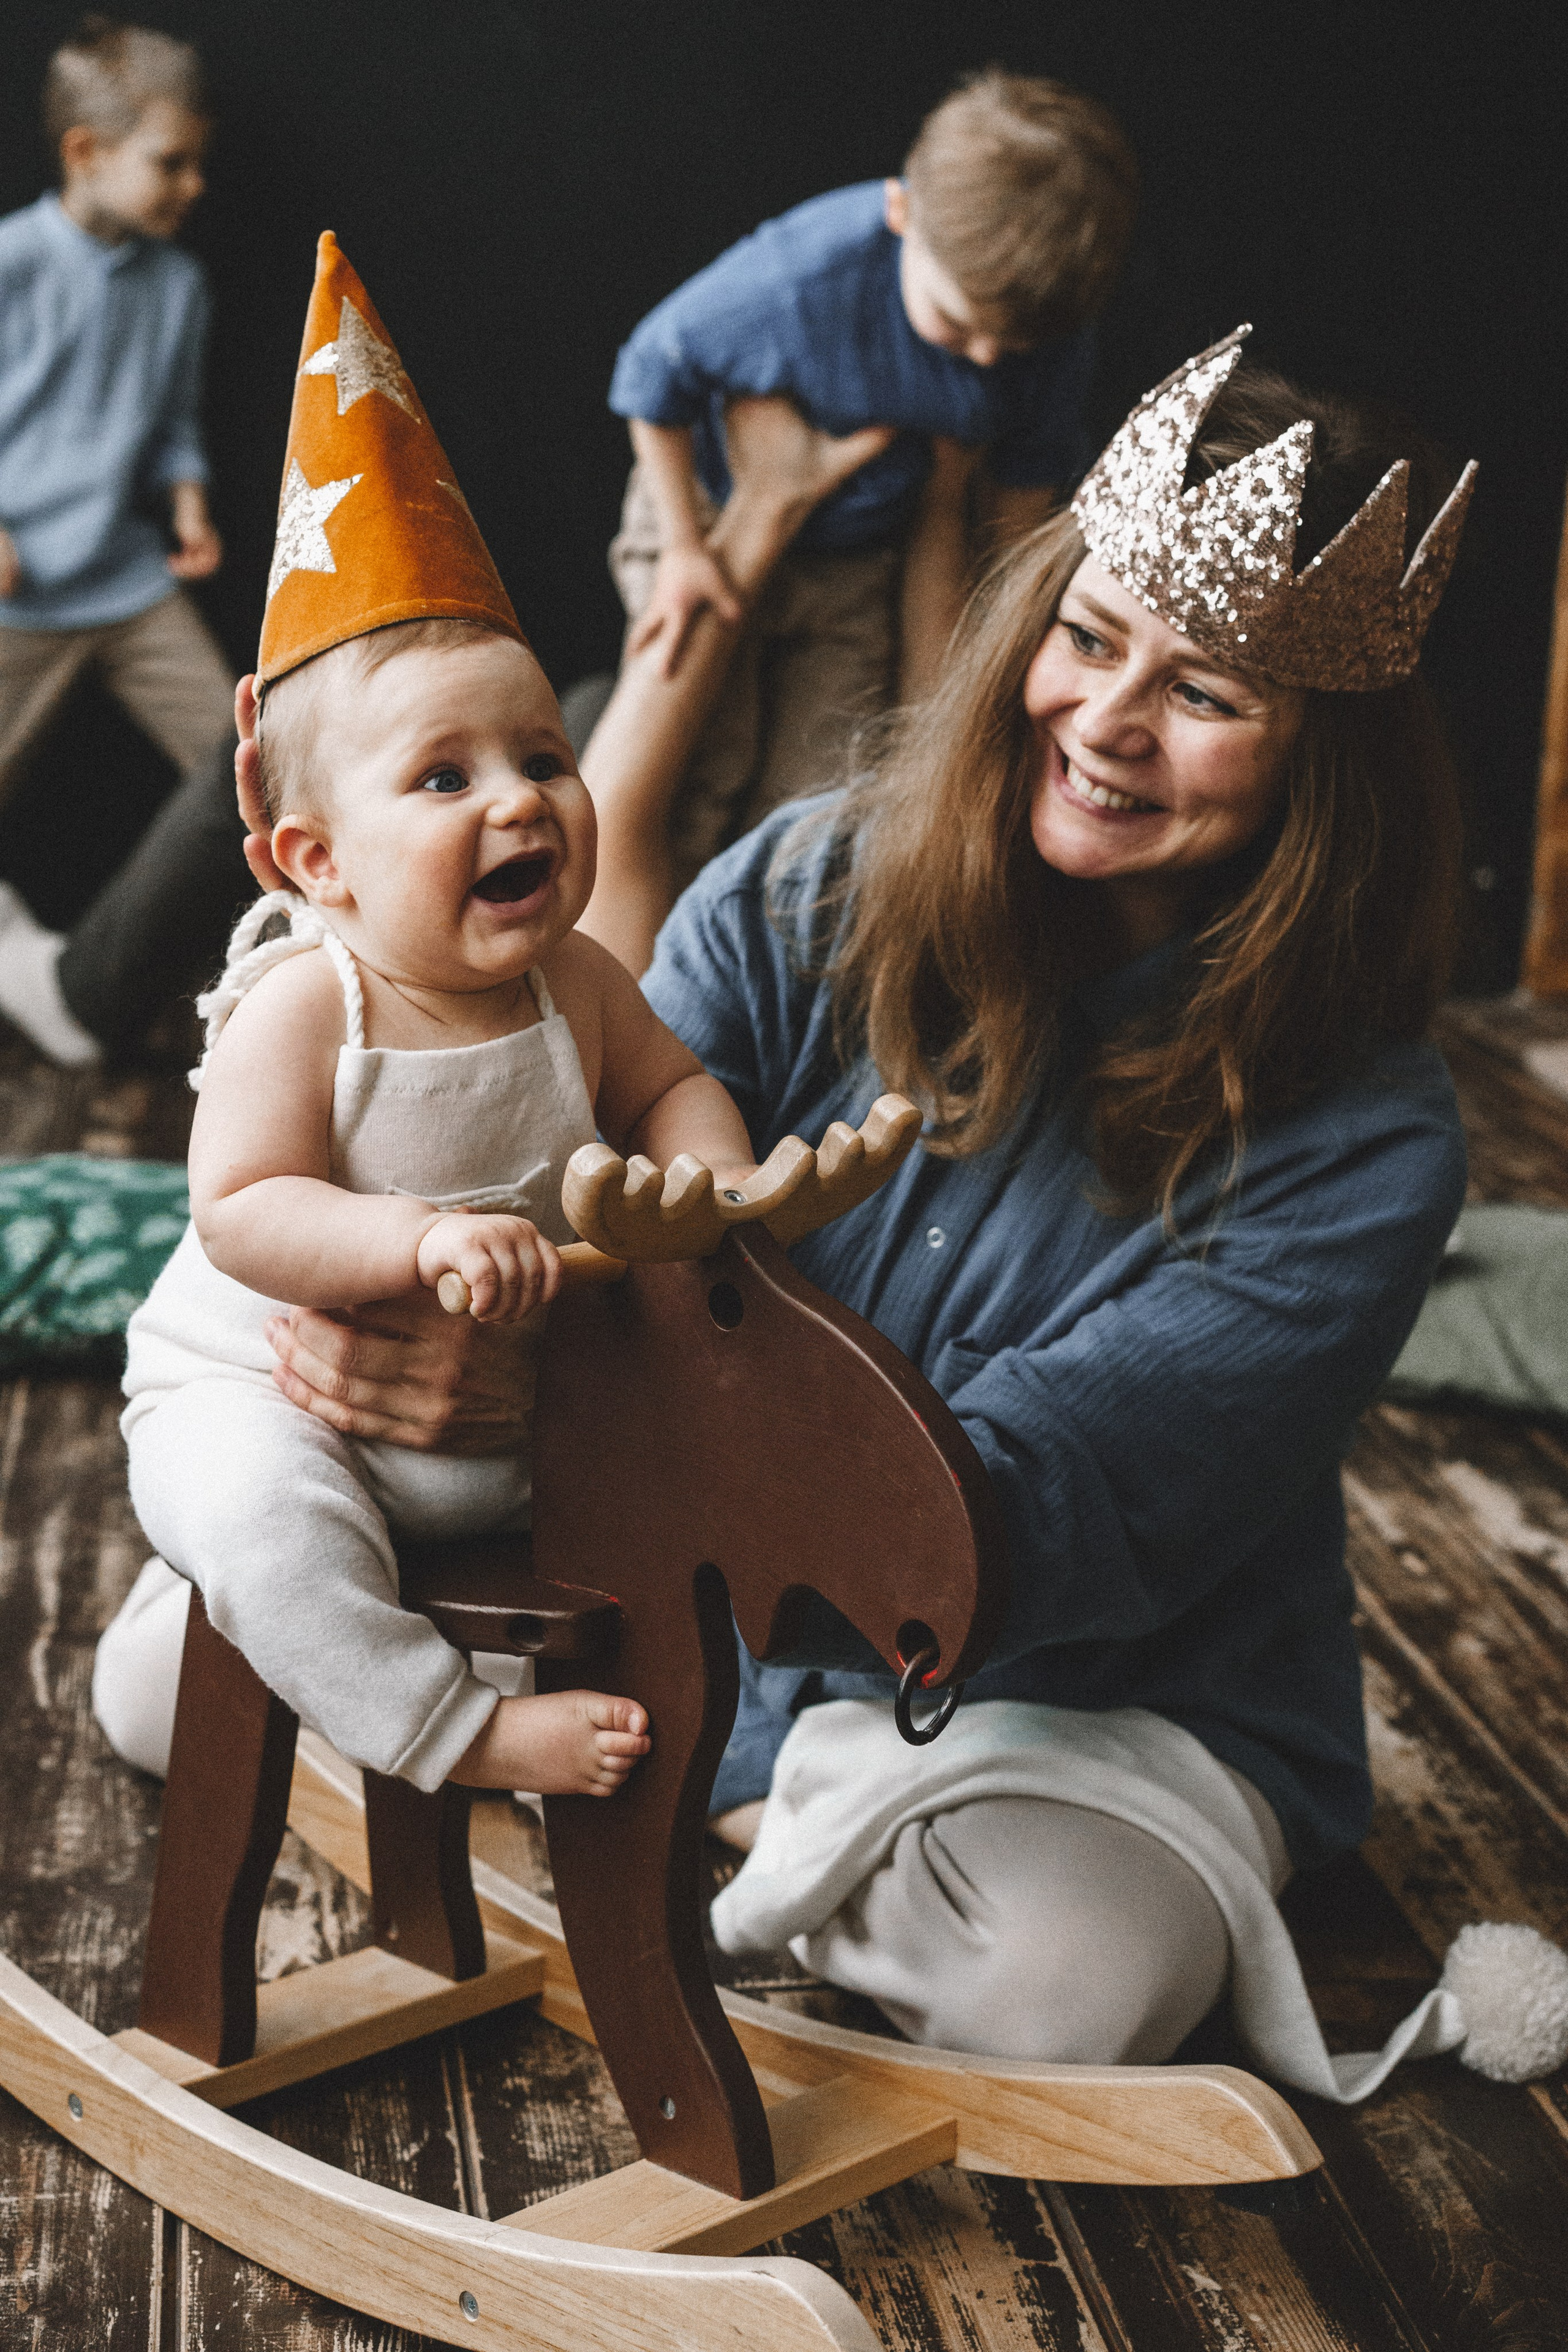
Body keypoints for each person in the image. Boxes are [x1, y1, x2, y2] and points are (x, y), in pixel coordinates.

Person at [176, 334, 1502, 2095]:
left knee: (1067, 1980)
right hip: (668, 1581)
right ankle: (662, 1810)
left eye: (1206, 696)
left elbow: (1059, 1499)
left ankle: (649, 1816)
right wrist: (435, 1337)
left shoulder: (1371, 1140)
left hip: (1063, 1674)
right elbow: (583, 1190)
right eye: (1088, 639)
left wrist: (553, 1401)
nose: (1104, 721)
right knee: (172, 1648)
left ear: (1319, 762)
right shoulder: (816, 880)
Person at [94, 235, 780, 1799]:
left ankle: (390, 1652)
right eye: (445, 777)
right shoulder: (306, 1000)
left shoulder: (577, 985)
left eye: (540, 754)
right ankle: (448, 1731)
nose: (521, 798)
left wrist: (705, 1181)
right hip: (275, 1395)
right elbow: (248, 1208)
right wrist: (409, 1241)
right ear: (315, 862)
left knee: (653, 1469)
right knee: (272, 1523)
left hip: (490, 1417)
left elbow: (670, 1083)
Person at [600, 69, 1136, 903]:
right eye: (958, 328)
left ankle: (759, 952)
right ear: (900, 215)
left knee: (828, 781)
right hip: (715, 516)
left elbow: (1027, 490)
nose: (988, 361)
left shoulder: (1041, 327)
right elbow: (649, 376)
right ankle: (659, 959)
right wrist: (680, 547)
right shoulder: (799, 280)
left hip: (866, 556)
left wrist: (1006, 625)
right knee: (712, 758)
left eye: (1012, 345)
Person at [0, 18, 239, 1067]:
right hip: (19, 593)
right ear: (85, 152)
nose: (190, 186)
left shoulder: (178, 286)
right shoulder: (11, 264)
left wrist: (188, 505)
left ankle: (273, 983)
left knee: (256, 767)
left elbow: (176, 421)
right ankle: (22, 966)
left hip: (132, 583)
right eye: (169, 162)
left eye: (199, 164)